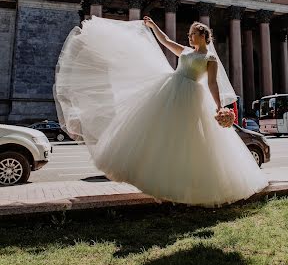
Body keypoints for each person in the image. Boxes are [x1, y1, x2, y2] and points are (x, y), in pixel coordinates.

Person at [54, 16, 267, 207]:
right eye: (189, 35)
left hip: (191, 97)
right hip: (170, 90)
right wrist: (153, 25)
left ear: (202, 35)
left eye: (192, 34)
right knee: (161, 137)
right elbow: (165, 41)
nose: (190, 37)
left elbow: (212, 84)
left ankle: (188, 187)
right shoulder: (185, 51)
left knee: (187, 142)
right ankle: (165, 184)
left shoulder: (209, 60)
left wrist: (220, 106)